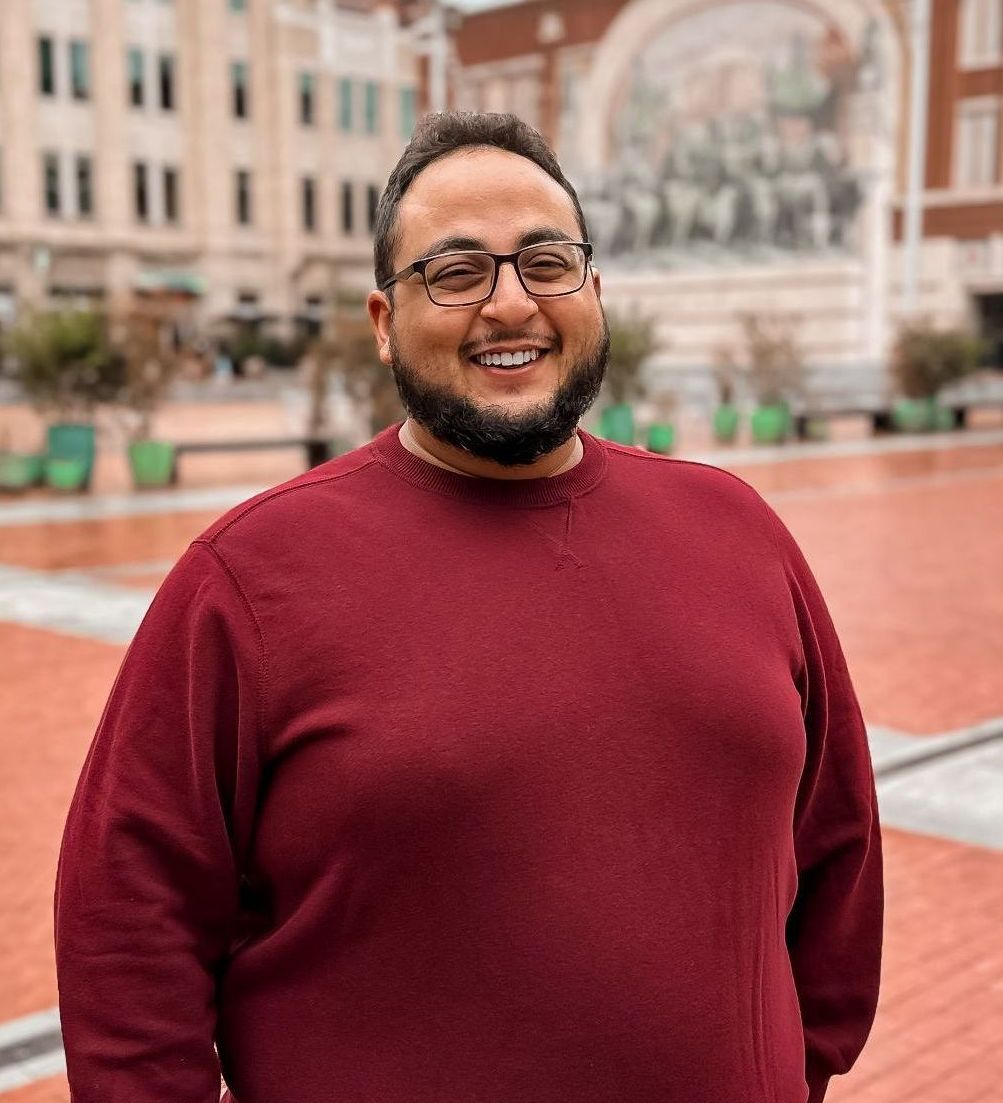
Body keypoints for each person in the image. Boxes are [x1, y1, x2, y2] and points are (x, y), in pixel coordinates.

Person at [55, 112, 882, 1103]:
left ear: (594, 292)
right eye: (454, 273)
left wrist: (795, 1069)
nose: (509, 304)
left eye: (546, 262)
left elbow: (838, 843)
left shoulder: (736, 528)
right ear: (380, 321)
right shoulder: (248, 577)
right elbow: (128, 917)